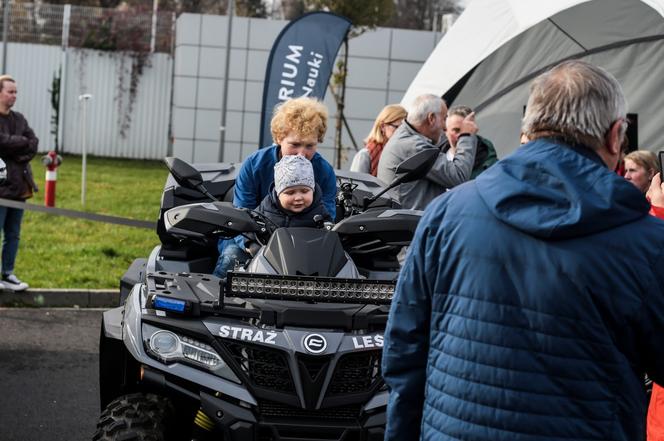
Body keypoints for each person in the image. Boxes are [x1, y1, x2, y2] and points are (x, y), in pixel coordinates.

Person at [382, 60, 664, 441]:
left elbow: (404, 356)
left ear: (526, 131)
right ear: (616, 136)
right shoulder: (644, 241)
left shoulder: (445, 216)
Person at [213, 97, 336, 278]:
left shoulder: (324, 171)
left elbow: (327, 216)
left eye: (309, 145)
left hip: (304, 242)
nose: (302, 153)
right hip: (250, 239)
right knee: (231, 257)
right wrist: (250, 245)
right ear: (279, 138)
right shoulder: (254, 165)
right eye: (295, 144)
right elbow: (241, 214)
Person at [377, 94, 478, 210]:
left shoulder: (405, 139)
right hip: (412, 224)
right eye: (444, 118)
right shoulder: (413, 146)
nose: (446, 127)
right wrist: (466, 136)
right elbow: (458, 176)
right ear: (431, 119)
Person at [246, 155, 331, 253]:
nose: (298, 198)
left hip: (308, 260)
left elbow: (330, 236)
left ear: (313, 190)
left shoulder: (319, 211)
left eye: (304, 191)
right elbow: (250, 228)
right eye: (290, 193)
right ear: (278, 193)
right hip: (271, 261)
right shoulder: (265, 208)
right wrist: (252, 245)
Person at [0, 75, 37, 292]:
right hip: (1, 189)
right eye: (10, 91)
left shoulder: (20, 119)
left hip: (19, 188)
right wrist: (18, 145)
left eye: (16, 92)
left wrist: (13, 150)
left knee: (13, 234)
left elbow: (33, 144)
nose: (14, 95)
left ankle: (8, 274)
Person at [350, 104, 407, 176]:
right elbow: (355, 185)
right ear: (383, 126)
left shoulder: (403, 155)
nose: (401, 132)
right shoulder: (365, 156)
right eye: (397, 127)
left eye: (404, 129)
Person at [442, 105, 498, 179]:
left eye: (466, 130)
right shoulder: (437, 162)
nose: (462, 135)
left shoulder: (489, 161)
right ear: (445, 131)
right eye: (456, 130)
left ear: (473, 129)